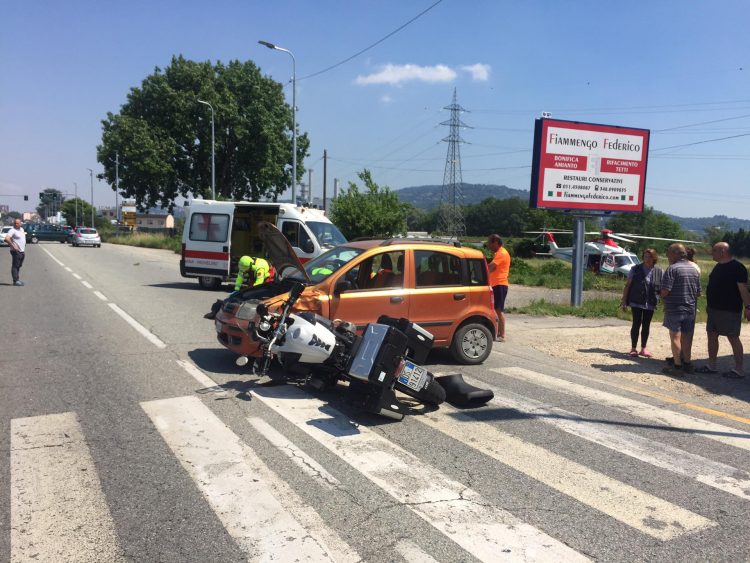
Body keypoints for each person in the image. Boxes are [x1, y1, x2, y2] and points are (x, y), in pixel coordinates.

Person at [694, 242, 750, 379]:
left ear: (723, 251)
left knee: (733, 338)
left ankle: (738, 369)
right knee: (711, 335)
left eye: (714, 250)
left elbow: (743, 290)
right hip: (713, 309)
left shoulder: (738, 268)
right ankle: (712, 365)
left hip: (730, 310)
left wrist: (748, 307)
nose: (712, 253)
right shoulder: (718, 267)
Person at [659, 243, 701, 376]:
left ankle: (677, 366)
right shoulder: (694, 269)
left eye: (669, 253)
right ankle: (688, 363)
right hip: (690, 308)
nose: (667, 255)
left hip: (675, 308)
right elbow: (698, 292)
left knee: (675, 336)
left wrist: (659, 294)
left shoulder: (672, 269)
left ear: (676, 253)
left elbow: (665, 291)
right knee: (687, 337)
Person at [620, 248, 662, 358]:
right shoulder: (635, 269)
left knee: (646, 325)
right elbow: (628, 285)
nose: (647, 259)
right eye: (645, 257)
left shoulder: (659, 271)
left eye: (650, 257)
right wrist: (624, 300)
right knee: (636, 323)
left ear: (654, 258)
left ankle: (643, 348)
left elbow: (661, 289)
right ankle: (633, 348)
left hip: (651, 302)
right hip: (636, 301)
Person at [487, 234, 510, 342]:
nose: (488, 245)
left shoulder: (501, 253)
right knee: (496, 309)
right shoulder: (499, 253)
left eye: (490, 243)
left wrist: (480, 273)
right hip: (496, 284)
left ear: (495, 242)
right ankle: (499, 333)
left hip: (500, 284)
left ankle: (502, 335)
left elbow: (491, 267)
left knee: (499, 310)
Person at [4, 218, 26, 286]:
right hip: (16, 251)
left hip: (22, 251)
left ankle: (17, 279)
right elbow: (6, 239)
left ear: (20, 224)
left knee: (19, 265)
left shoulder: (22, 229)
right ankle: (15, 281)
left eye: (17, 223)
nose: (16, 224)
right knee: (15, 266)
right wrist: (13, 246)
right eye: (15, 223)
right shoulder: (12, 230)